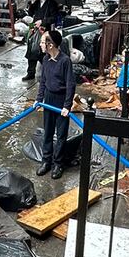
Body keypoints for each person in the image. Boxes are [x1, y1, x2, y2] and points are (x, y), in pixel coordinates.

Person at [34, 29, 75, 180]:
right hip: (49, 99)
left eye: (43, 42)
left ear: (50, 45)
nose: (40, 44)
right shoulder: (45, 59)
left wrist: (67, 105)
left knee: (61, 134)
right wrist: (39, 99)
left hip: (61, 100)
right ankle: (46, 161)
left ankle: (58, 164)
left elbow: (70, 85)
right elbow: (43, 81)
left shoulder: (65, 61)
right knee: (48, 132)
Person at [23, 0, 57, 81]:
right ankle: (30, 73)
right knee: (31, 50)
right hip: (34, 28)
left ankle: (49, 73)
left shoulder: (51, 3)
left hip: (44, 30)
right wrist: (32, 2)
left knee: (42, 52)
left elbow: (54, 18)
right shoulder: (36, 1)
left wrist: (43, 21)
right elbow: (30, 13)